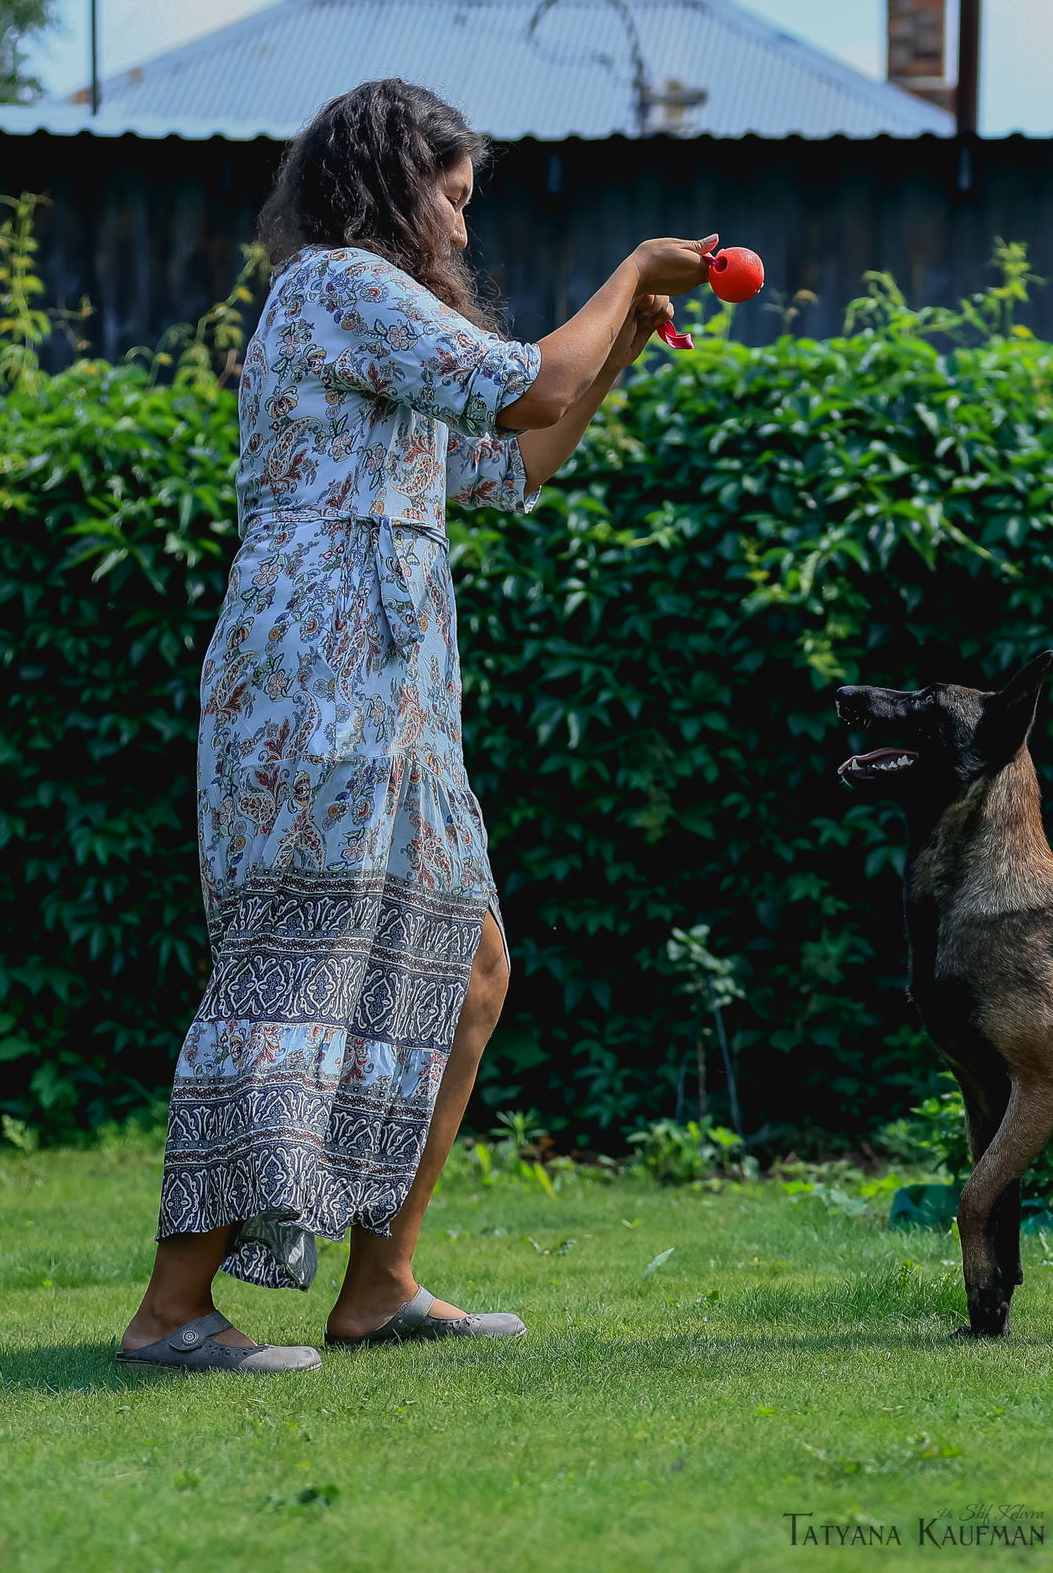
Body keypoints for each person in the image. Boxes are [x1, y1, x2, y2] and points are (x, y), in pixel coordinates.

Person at [114, 78, 713, 1371]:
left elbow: (515, 460)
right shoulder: (336, 287)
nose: (459, 223)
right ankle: (172, 1310)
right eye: (450, 194)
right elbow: (522, 385)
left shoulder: (378, 333)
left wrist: (618, 344)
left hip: (394, 686)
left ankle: (379, 1280)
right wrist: (626, 273)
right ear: (394, 184)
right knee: (296, 965)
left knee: (475, 962)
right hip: (314, 679)